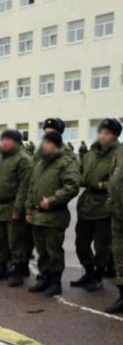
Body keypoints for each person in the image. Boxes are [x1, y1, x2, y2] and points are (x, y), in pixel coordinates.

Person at [25, 132, 80, 297]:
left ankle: (55, 282)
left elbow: (72, 186)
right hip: (38, 215)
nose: (44, 145)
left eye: (48, 143)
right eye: (44, 142)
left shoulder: (66, 163)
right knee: (42, 250)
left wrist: (52, 200)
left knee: (53, 250)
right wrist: (29, 209)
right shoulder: (40, 164)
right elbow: (31, 188)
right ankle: (44, 278)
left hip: (55, 216)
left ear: (56, 145)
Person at [70, 119, 120, 293]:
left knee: (102, 246)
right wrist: (86, 180)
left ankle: (99, 276)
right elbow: (81, 174)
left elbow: (117, 182)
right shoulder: (91, 153)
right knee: (81, 243)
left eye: (106, 133)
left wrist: (99, 185)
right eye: (101, 132)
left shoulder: (119, 154)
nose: (102, 136)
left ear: (114, 136)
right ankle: (89, 272)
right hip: (87, 204)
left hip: (105, 206)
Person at [0, 130, 33, 287]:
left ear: (17, 142)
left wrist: (18, 210)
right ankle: (2, 267)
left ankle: (18, 270)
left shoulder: (23, 160)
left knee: (16, 241)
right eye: (2, 139)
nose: (3, 142)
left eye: (8, 140)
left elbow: (24, 188)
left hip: (12, 206)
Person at [106, 119, 123, 313]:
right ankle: (121, 295)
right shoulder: (119, 153)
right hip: (118, 213)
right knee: (120, 256)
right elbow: (115, 180)